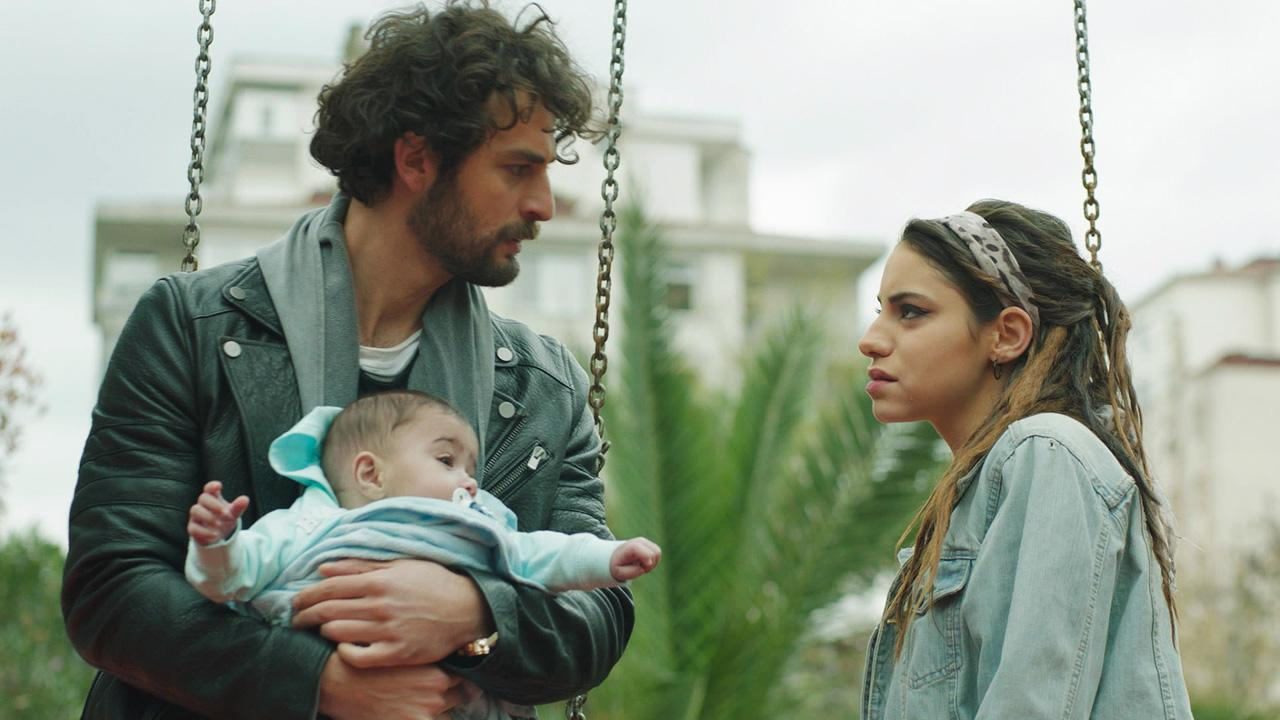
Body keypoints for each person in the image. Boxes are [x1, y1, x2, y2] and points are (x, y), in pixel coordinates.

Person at [62, 3, 634, 719]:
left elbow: (600, 611)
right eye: (518, 169)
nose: (545, 204)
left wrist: (473, 613)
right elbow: (111, 590)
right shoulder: (191, 327)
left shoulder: (547, 386)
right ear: (416, 158)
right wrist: (316, 683)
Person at [856, 200, 1193, 719]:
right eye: (880, 310)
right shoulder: (987, 484)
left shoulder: (1048, 453)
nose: (871, 340)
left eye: (911, 312)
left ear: (1007, 334)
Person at [185, 391, 660, 720]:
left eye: (471, 468)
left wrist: (606, 558)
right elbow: (233, 579)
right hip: (325, 680)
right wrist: (218, 543)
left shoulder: (476, 529)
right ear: (371, 475)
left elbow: (541, 554)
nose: (469, 481)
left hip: (452, 696)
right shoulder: (307, 525)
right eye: (446, 461)